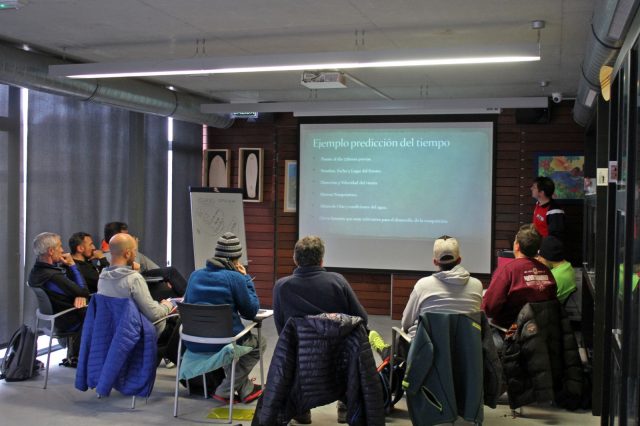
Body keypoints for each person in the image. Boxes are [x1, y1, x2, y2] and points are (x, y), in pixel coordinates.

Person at [272, 235, 368, 424]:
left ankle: (300, 409)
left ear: (295, 258)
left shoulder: (282, 286)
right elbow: (361, 320)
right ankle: (345, 405)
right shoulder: (338, 282)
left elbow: (282, 329)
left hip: (301, 361)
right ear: (322, 259)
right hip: (337, 360)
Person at [183, 232, 264, 405]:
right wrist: (246, 279)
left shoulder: (195, 275)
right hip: (224, 342)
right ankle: (225, 389)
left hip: (193, 341)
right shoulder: (235, 278)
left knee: (229, 344)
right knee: (259, 343)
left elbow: (187, 305)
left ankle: (246, 389)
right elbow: (251, 312)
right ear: (236, 260)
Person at [97, 233, 179, 363]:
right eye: (135, 251)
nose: (136, 255)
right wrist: (168, 304)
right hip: (141, 332)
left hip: (118, 332)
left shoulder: (102, 277)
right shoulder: (134, 279)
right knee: (180, 324)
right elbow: (155, 315)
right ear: (128, 254)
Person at [401, 235, 483, 337]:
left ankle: (386, 351)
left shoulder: (422, 286)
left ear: (435, 262)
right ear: (459, 260)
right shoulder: (477, 285)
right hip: (465, 349)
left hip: (426, 350)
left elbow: (406, 323)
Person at [28, 232, 90, 366]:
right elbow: (84, 291)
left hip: (51, 319)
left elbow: (75, 292)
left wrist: (78, 295)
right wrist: (73, 265)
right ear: (51, 251)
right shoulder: (53, 276)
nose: (63, 250)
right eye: (60, 247)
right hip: (67, 321)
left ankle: (77, 354)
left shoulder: (35, 272)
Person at [482, 224, 557, 330]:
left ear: (516, 246)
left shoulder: (508, 270)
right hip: (540, 333)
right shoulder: (547, 271)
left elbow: (489, 308)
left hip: (509, 333)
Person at [102, 221, 187, 297]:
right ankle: (191, 300)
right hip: (136, 283)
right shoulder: (110, 256)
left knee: (170, 273)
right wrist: (134, 249)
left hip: (144, 278)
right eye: (126, 235)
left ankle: (189, 299)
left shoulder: (129, 252)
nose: (130, 237)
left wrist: (167, 279)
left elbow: (156, 269)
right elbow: (134, 272)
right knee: (173, 289)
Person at [537, 235, 577, 304]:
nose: (538, 259)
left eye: (540, 256)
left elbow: (538, 298)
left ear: (548, 257)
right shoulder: (567, 266)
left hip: (547, 309)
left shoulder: (554, 278)